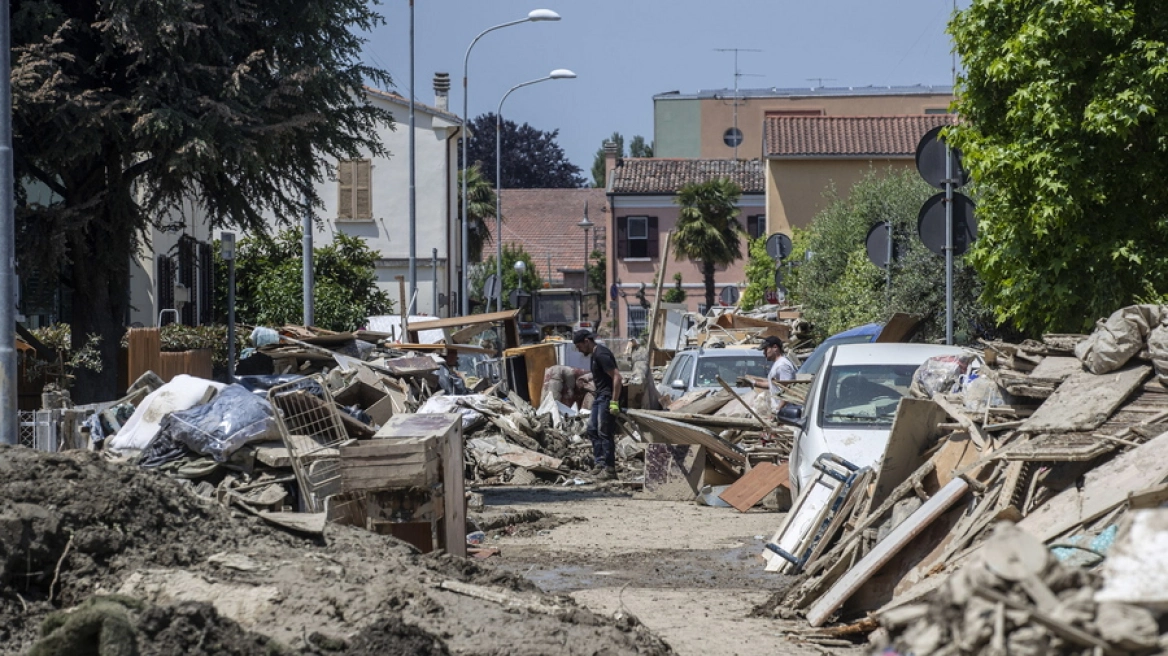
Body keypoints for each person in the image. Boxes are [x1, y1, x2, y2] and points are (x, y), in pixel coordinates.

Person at [573, 329, 622, 481]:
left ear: (586, 341)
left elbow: (617, 377)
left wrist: (614, 401)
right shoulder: (594, 355)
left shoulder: (601, 354)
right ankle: (600, 464)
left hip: (607, 398)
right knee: (592, 429)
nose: (579, 350)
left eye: (579, 346)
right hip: (599, 396)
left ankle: (610, 469)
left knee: (604, 432)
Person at [755, 335, 798, 418]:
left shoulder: (782, 365)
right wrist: (754, 383)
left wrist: (778, 410)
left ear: (775, 347)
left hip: (786, 412)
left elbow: (787, 390)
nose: (764, 352)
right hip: (781, 411)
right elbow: (773, 384)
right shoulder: (778, 364)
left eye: (766, 349)